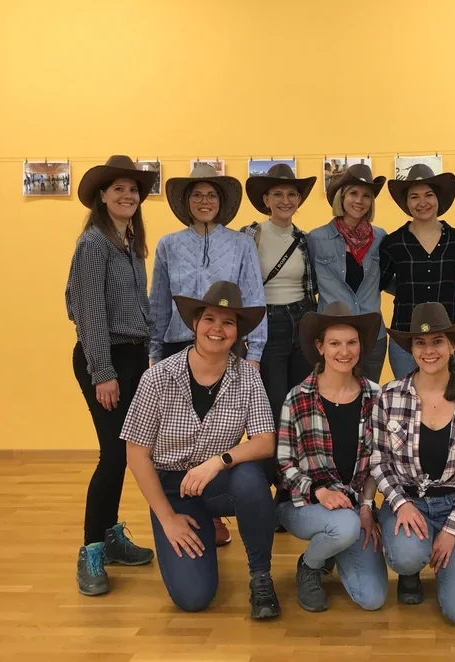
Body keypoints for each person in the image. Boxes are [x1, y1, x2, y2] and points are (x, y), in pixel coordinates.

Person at [120, 281, 281, 618]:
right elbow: (136, 455)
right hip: (173, 488)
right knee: (193, 599)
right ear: (195, 324)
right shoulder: (158, 377)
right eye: (210, 319)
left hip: (216, 482)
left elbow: (265, 441)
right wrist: (168, 519)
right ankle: (197, 526)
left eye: (228, 322)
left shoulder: (248, 378)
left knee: (251, 480)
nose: (217, 329)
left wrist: (218, 463)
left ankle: (261, 578)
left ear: (237, 333)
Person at [150, 165, 267, 546]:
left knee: (221, 428)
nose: (205, 201)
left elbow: (252, 297)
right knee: (179, 435)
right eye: (197, 195)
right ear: (186, 202)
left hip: (226, 343)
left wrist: (255, 352)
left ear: (222, 203)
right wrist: (155, 352)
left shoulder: (240, 244)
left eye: (211, 195)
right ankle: (184, 503)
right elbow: (159, 301)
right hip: (177, 344)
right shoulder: (168, 244)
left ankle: (216, 511)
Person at [66, 155, 158, 596]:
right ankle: (90, 551)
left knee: (126, 453)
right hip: (105, 361)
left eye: (133, 190)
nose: (127, 195)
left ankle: (110, 537)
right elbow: (85, 309)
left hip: (132, 357)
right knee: (113, 455)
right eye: (118, 188)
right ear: (102, 196)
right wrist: (102, 370)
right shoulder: (94, 243)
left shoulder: (129, 244)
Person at [371, 302, 455, 627]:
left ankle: (446, 562)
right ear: (411, 349)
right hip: (408, 501)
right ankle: (412, 569)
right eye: (420, 343)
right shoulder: (389, 397)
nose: (429, 350)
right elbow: (379, 461)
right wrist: (401, 505)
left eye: (437, 341)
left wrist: (452, 529)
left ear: (452, 345)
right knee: (408, 554)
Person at [276, 302, 388, 613]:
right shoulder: (297, 397)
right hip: (303, 503)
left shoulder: (376, 397)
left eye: (352, 342)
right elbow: (283, 463)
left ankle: (333, 550)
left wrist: (366, 508)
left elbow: (378, 462)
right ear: (320, 347)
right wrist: (318, 491)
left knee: (373, 598)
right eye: (335, 343)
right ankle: (310, 565)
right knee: (344, 528)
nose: (344, 351)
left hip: (353, 508)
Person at [240, 163, 319, 487]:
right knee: (270, 412)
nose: (285, 200)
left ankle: (289, 492)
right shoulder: (250, 235)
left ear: (298, 199)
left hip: (301, 323)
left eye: (291, 194)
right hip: (266, 326)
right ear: (266, 199)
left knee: (298, 409)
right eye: (278, 194)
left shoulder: (304, 239)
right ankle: (267, 486)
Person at [380, 164, 455, 379]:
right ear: (406, 202)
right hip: (405, 339)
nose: (422, 203)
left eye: (429, 195)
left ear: (438, 198)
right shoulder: (393, 242)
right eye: (414, 197)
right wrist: (405, 289)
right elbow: (380, 282)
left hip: (447, 338)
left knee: (450, 401)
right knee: (406, 404)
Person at [307, 164, 388, 381]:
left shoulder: (380, 238)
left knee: (370, 399)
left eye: (367, 196)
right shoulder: (317, 238)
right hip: (332, 336)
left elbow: (388, 279)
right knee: (332, 396)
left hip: (373, 335)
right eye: (353, 193)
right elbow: (311, 285)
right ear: (341, 198)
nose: (359, 201)